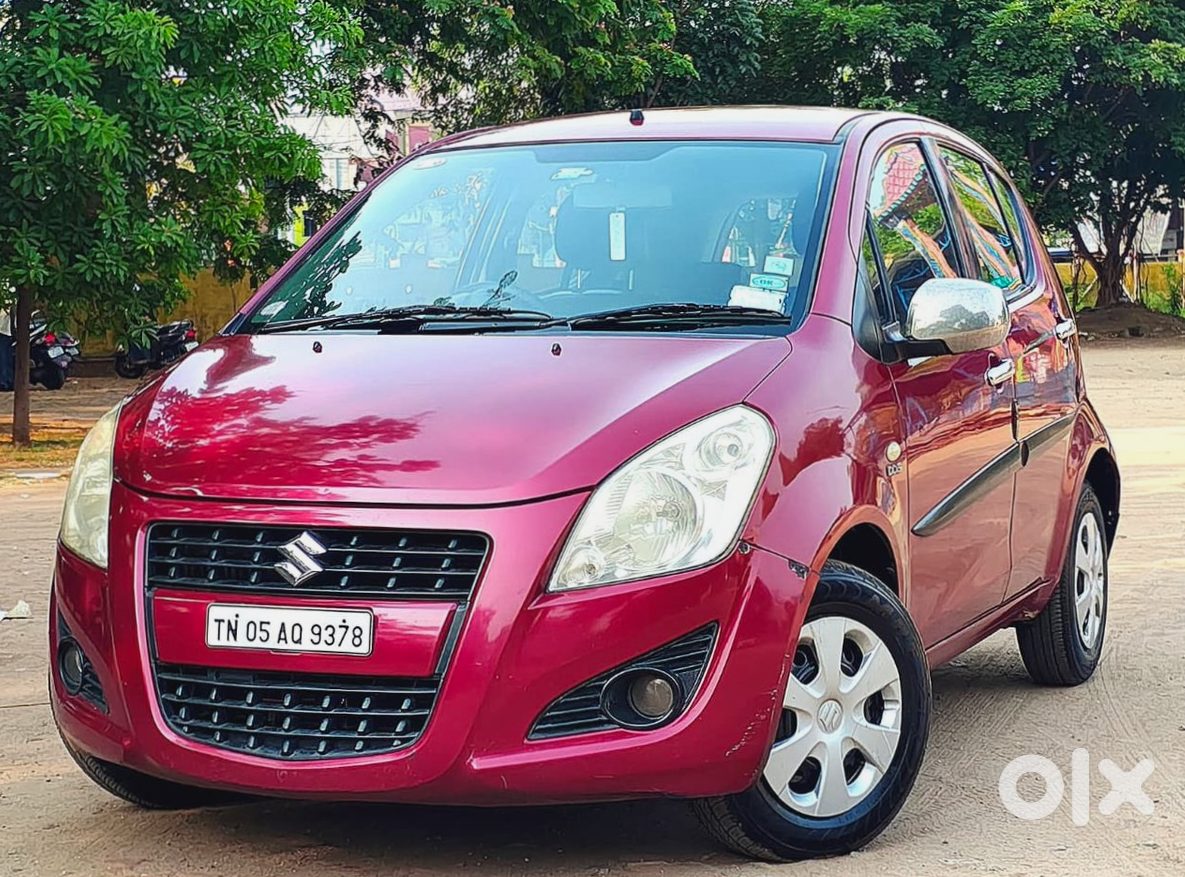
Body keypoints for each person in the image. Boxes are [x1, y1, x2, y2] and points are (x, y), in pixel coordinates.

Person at [0, 306, 13, 392]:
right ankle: (8, 381)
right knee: (6, 357)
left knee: (3, 358)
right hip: (6, 331)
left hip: (2, 331)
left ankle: (4, 382)